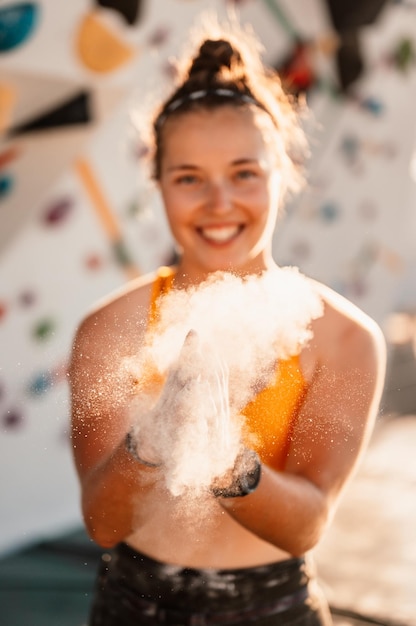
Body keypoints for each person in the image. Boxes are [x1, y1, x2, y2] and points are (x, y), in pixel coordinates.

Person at [69, 20, 386, 626]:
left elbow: (306, 526)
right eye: (189, 178)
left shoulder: (344, 337)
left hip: (275, 610)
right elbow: (105, 523)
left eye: (244, 173)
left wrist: (227, 461)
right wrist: (158, 439)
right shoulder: (109, 328)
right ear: (157, 183)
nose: (219, 204)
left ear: (284, 174)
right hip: (134, 606)